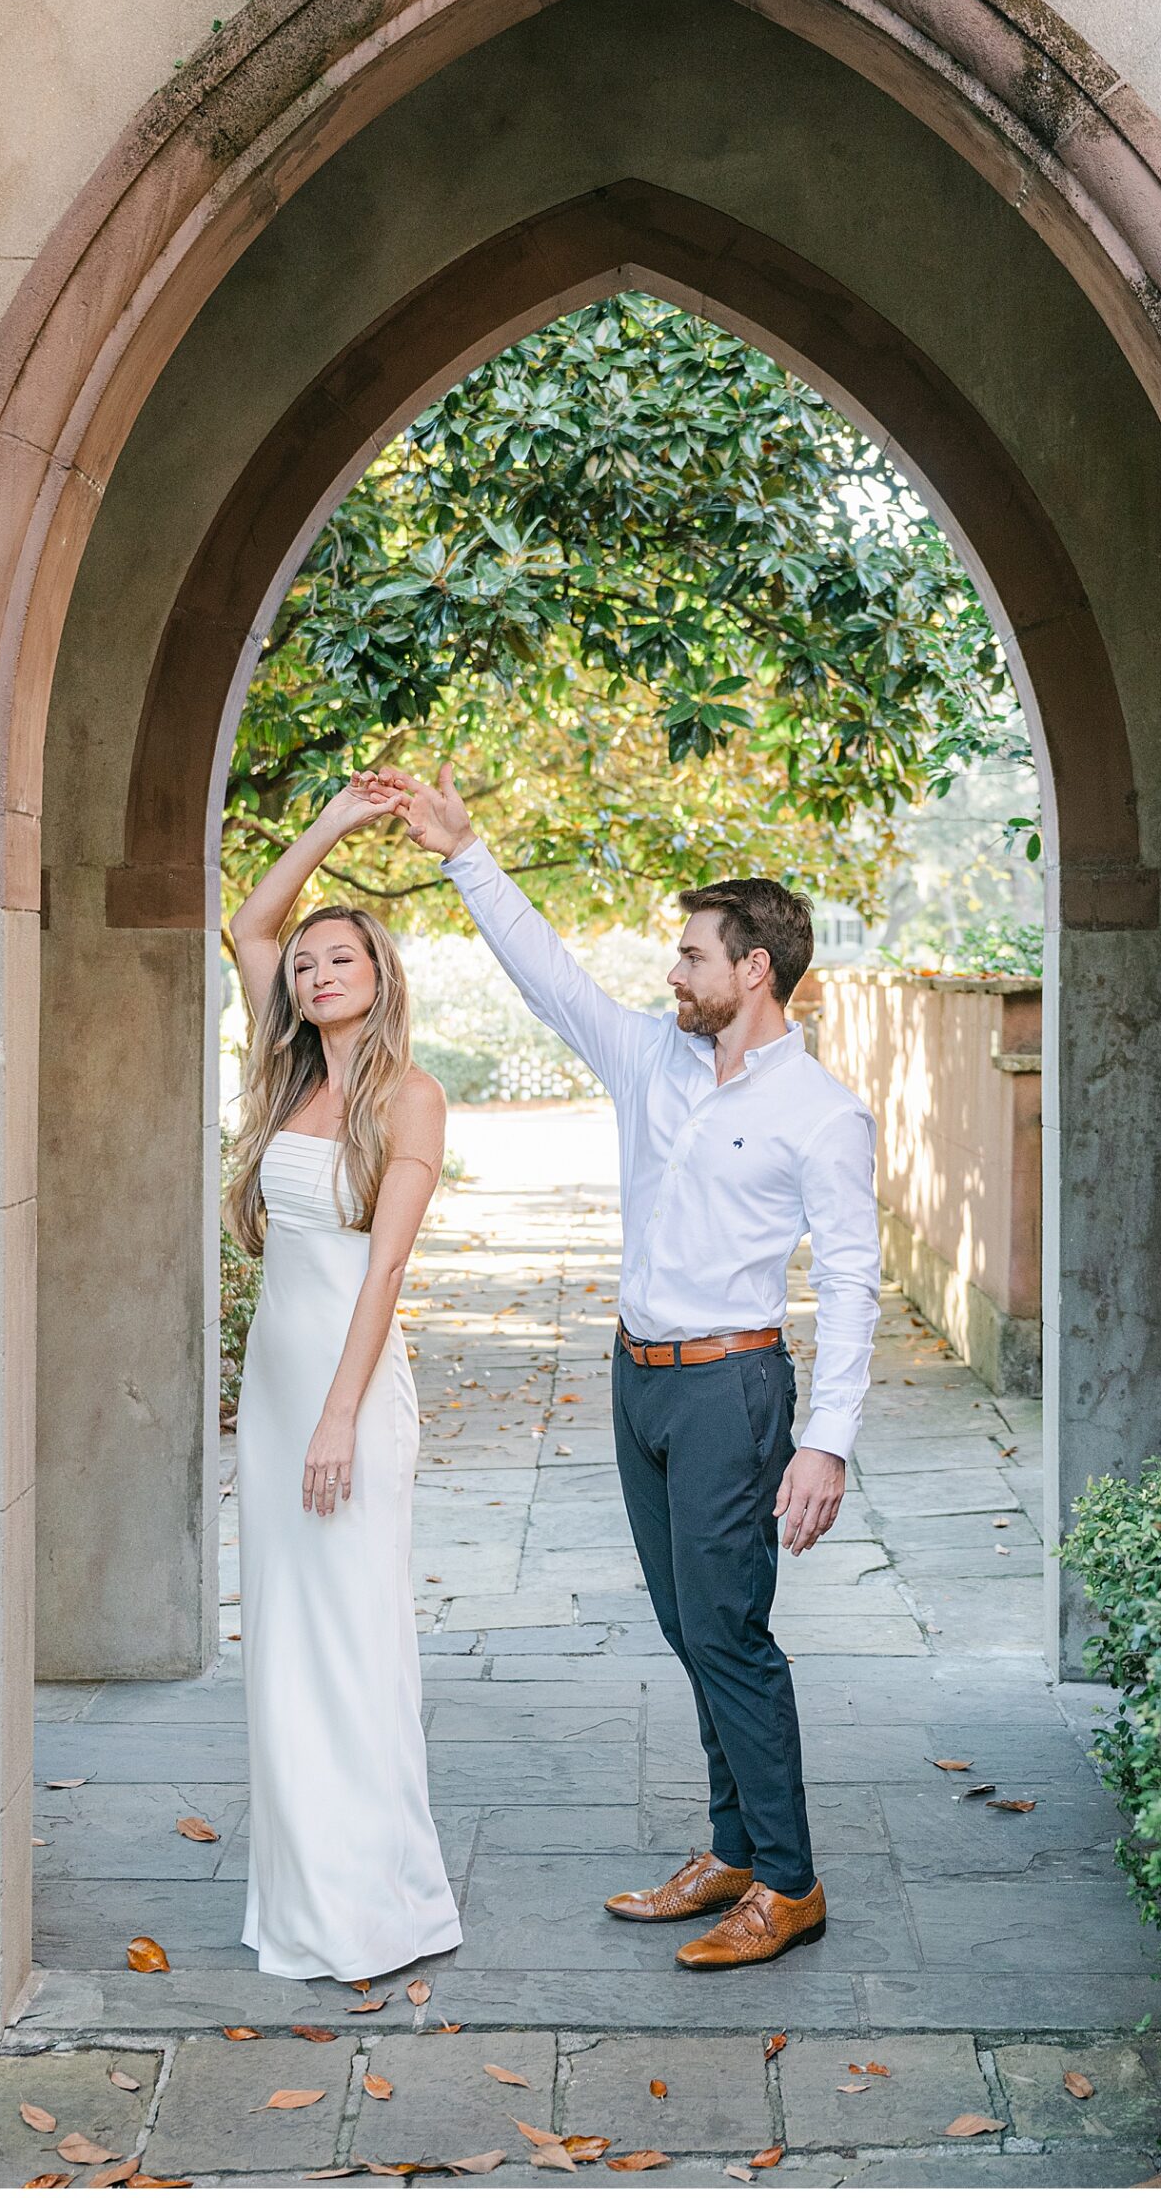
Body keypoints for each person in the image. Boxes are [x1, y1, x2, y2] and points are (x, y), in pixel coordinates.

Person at [367, 762, 882, 1971]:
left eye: (693, 954)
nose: (672, 970)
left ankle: (791, 1881)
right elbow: (545, 971)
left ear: (753, 968)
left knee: (730, 1628)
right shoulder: (647, 1057)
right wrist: (462, 847)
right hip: (637, 1377)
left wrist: (829, 1441)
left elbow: (851, 1281)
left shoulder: (823, 1111)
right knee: (682, 1621)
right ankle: (735, 1849)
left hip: (732, 1387)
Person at [223, 775, 463, 1982]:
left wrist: (337, 1417)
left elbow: (384, 1279)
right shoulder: (292, 1084)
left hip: (350, 1395)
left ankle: (377, 1907)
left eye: (342, 957)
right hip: (276, 1392)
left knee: (351, 1635)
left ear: (382, 977)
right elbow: (246, 926)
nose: (315, 971)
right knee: (281, 1636)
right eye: (308, 963)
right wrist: (332, 823)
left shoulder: (406, 1096)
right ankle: (298, 1902)